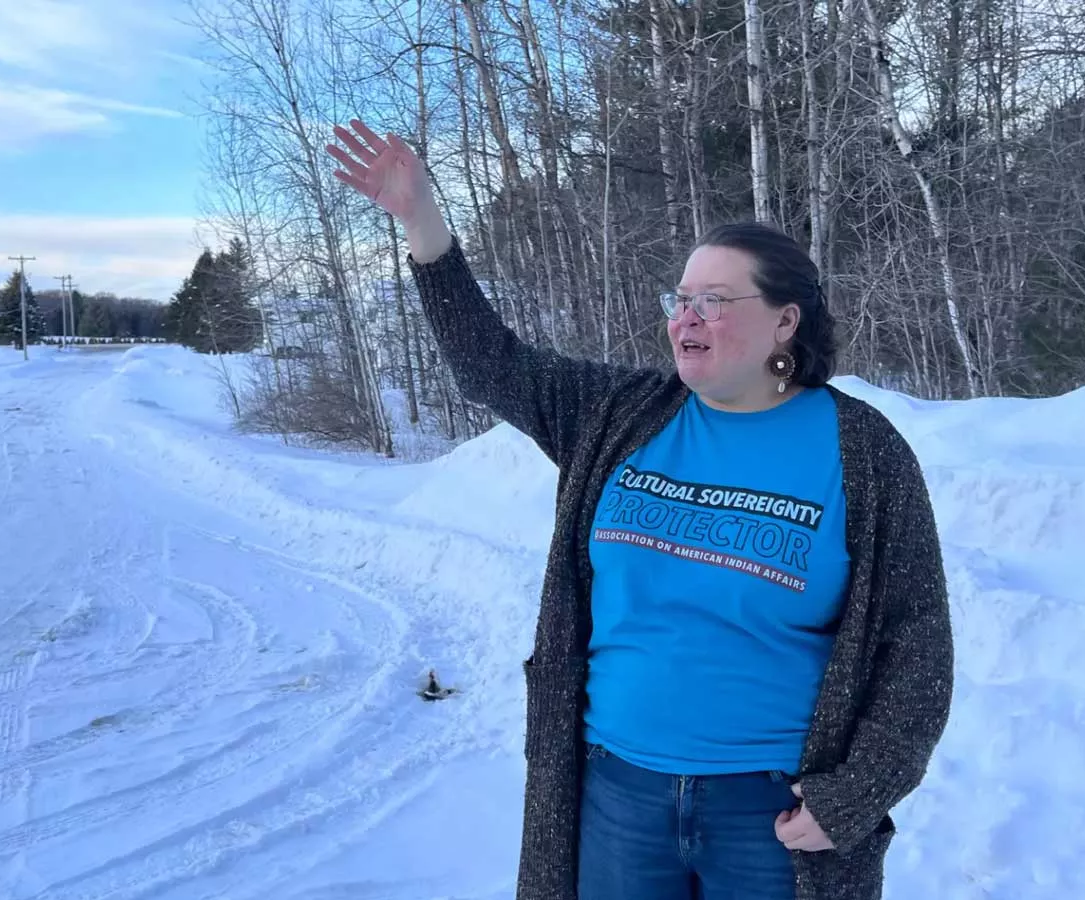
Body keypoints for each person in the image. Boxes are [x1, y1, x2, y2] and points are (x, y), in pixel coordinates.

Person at [326, 119, 954, 900]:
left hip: (772, 814)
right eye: (680, 299)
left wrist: (856, 796)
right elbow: (490, 364)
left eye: (715, 301)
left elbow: (916, 643)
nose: (685, 318)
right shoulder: (619, 416)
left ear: (784, 321)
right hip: (617, 797)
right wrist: (422, 220)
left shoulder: (862, 452)